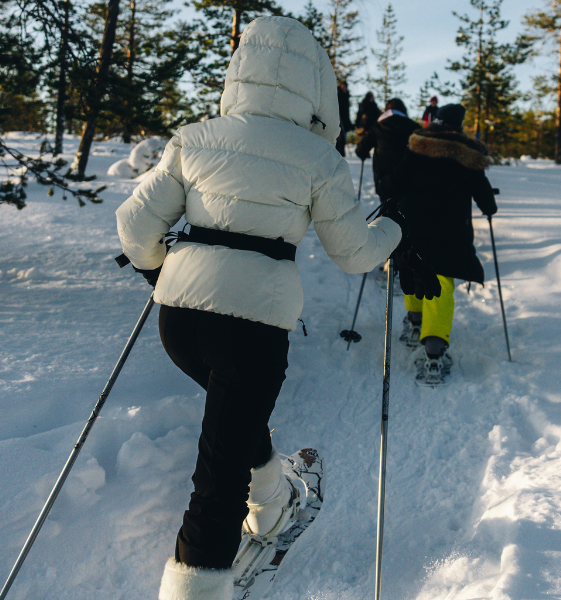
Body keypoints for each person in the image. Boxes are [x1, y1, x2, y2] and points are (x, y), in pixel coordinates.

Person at [115, 17, 436, 600]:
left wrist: (160, 268)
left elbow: (134, 224)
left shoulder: (197, 136)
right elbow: (355, 253)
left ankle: (270, 501)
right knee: (216, 481)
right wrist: (394, 225)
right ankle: (201, 583)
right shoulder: (316, 157)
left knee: (231, 423)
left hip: (179, 320)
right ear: (316, 88)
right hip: (252, 325)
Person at [391, 104, 497, 386]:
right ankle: (434, 354)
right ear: (459, 125)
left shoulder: (417, 145)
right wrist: (489, 206)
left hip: (413, 224)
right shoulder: (468, 153)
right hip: (450, 231)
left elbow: (397, 181)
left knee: (412, 267)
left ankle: (414, 322)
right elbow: (483, 194)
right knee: (440, 281)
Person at [354, 98, 420, 200]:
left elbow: (360, 149)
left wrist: (363, 153)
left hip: (383, 180)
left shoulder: (378, 126)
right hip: (407, 180)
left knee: (386, 210)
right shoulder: (414, 127)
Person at [336, 80, 352, 156]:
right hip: (338, 119)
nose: (343, 88)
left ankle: (341, 154)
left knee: (342, 139)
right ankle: (338, 154)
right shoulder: (338, 96)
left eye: (345, 86)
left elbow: (346, 111)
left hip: (344, 120)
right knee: (339, 139)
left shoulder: (346, 97)